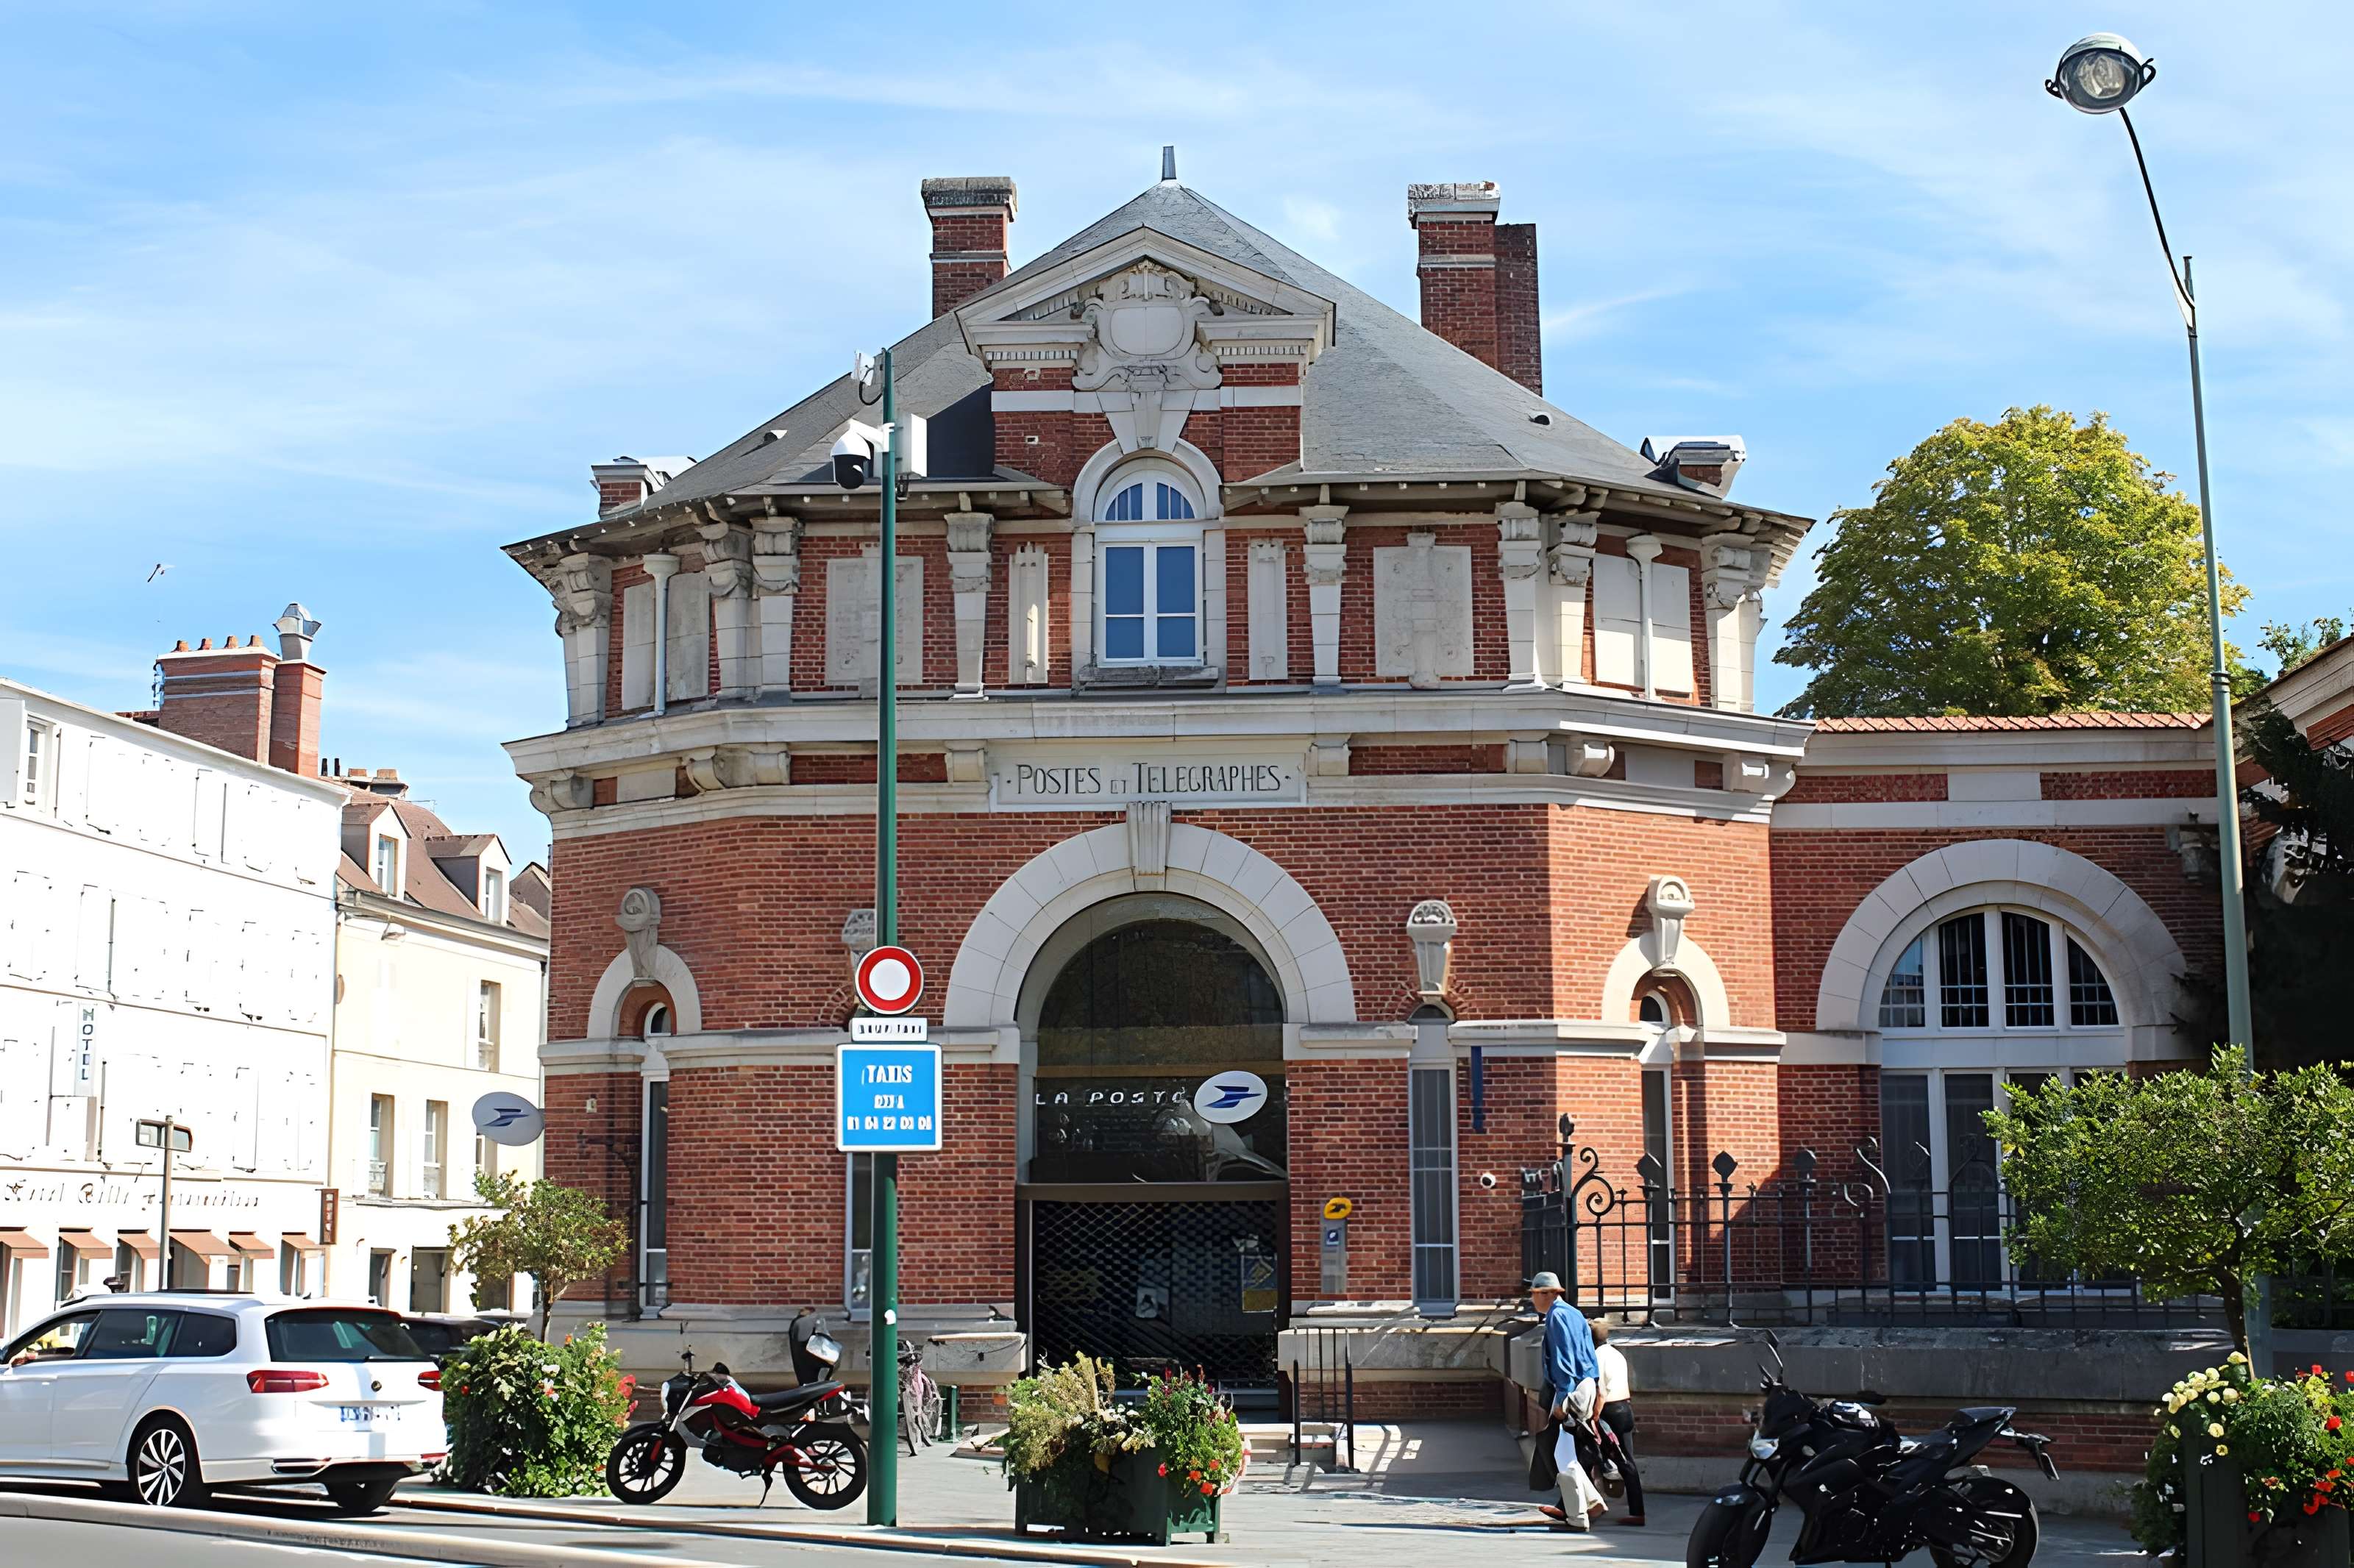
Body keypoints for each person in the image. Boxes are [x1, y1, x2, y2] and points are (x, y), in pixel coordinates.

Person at [1528, 1271, 1606, 1531]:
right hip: (1585, 1386)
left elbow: (1564, 1358)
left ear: (1549, 1294)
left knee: (1564, 1455)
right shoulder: (1574, 1313)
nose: (1533, 1300)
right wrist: (1593, 1388)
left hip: (1571, 1389)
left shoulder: (1556, 1316)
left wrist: (1563, 1398)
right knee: (1567, 1451)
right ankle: (1593, 1502)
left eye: (1536, 1294)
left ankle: (1577, 1516)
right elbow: (1587, 1355)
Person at [1592, 1317, 1646, 1526]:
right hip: (1625, 1408)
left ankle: (1593, 1504)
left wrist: (1594, 1417)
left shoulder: (1596, 1356)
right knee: (1628, 1462)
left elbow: (1601, 1392)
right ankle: (1637, 1510)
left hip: (1609, 1410)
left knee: (1592, 1456)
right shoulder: (1617, 1354)